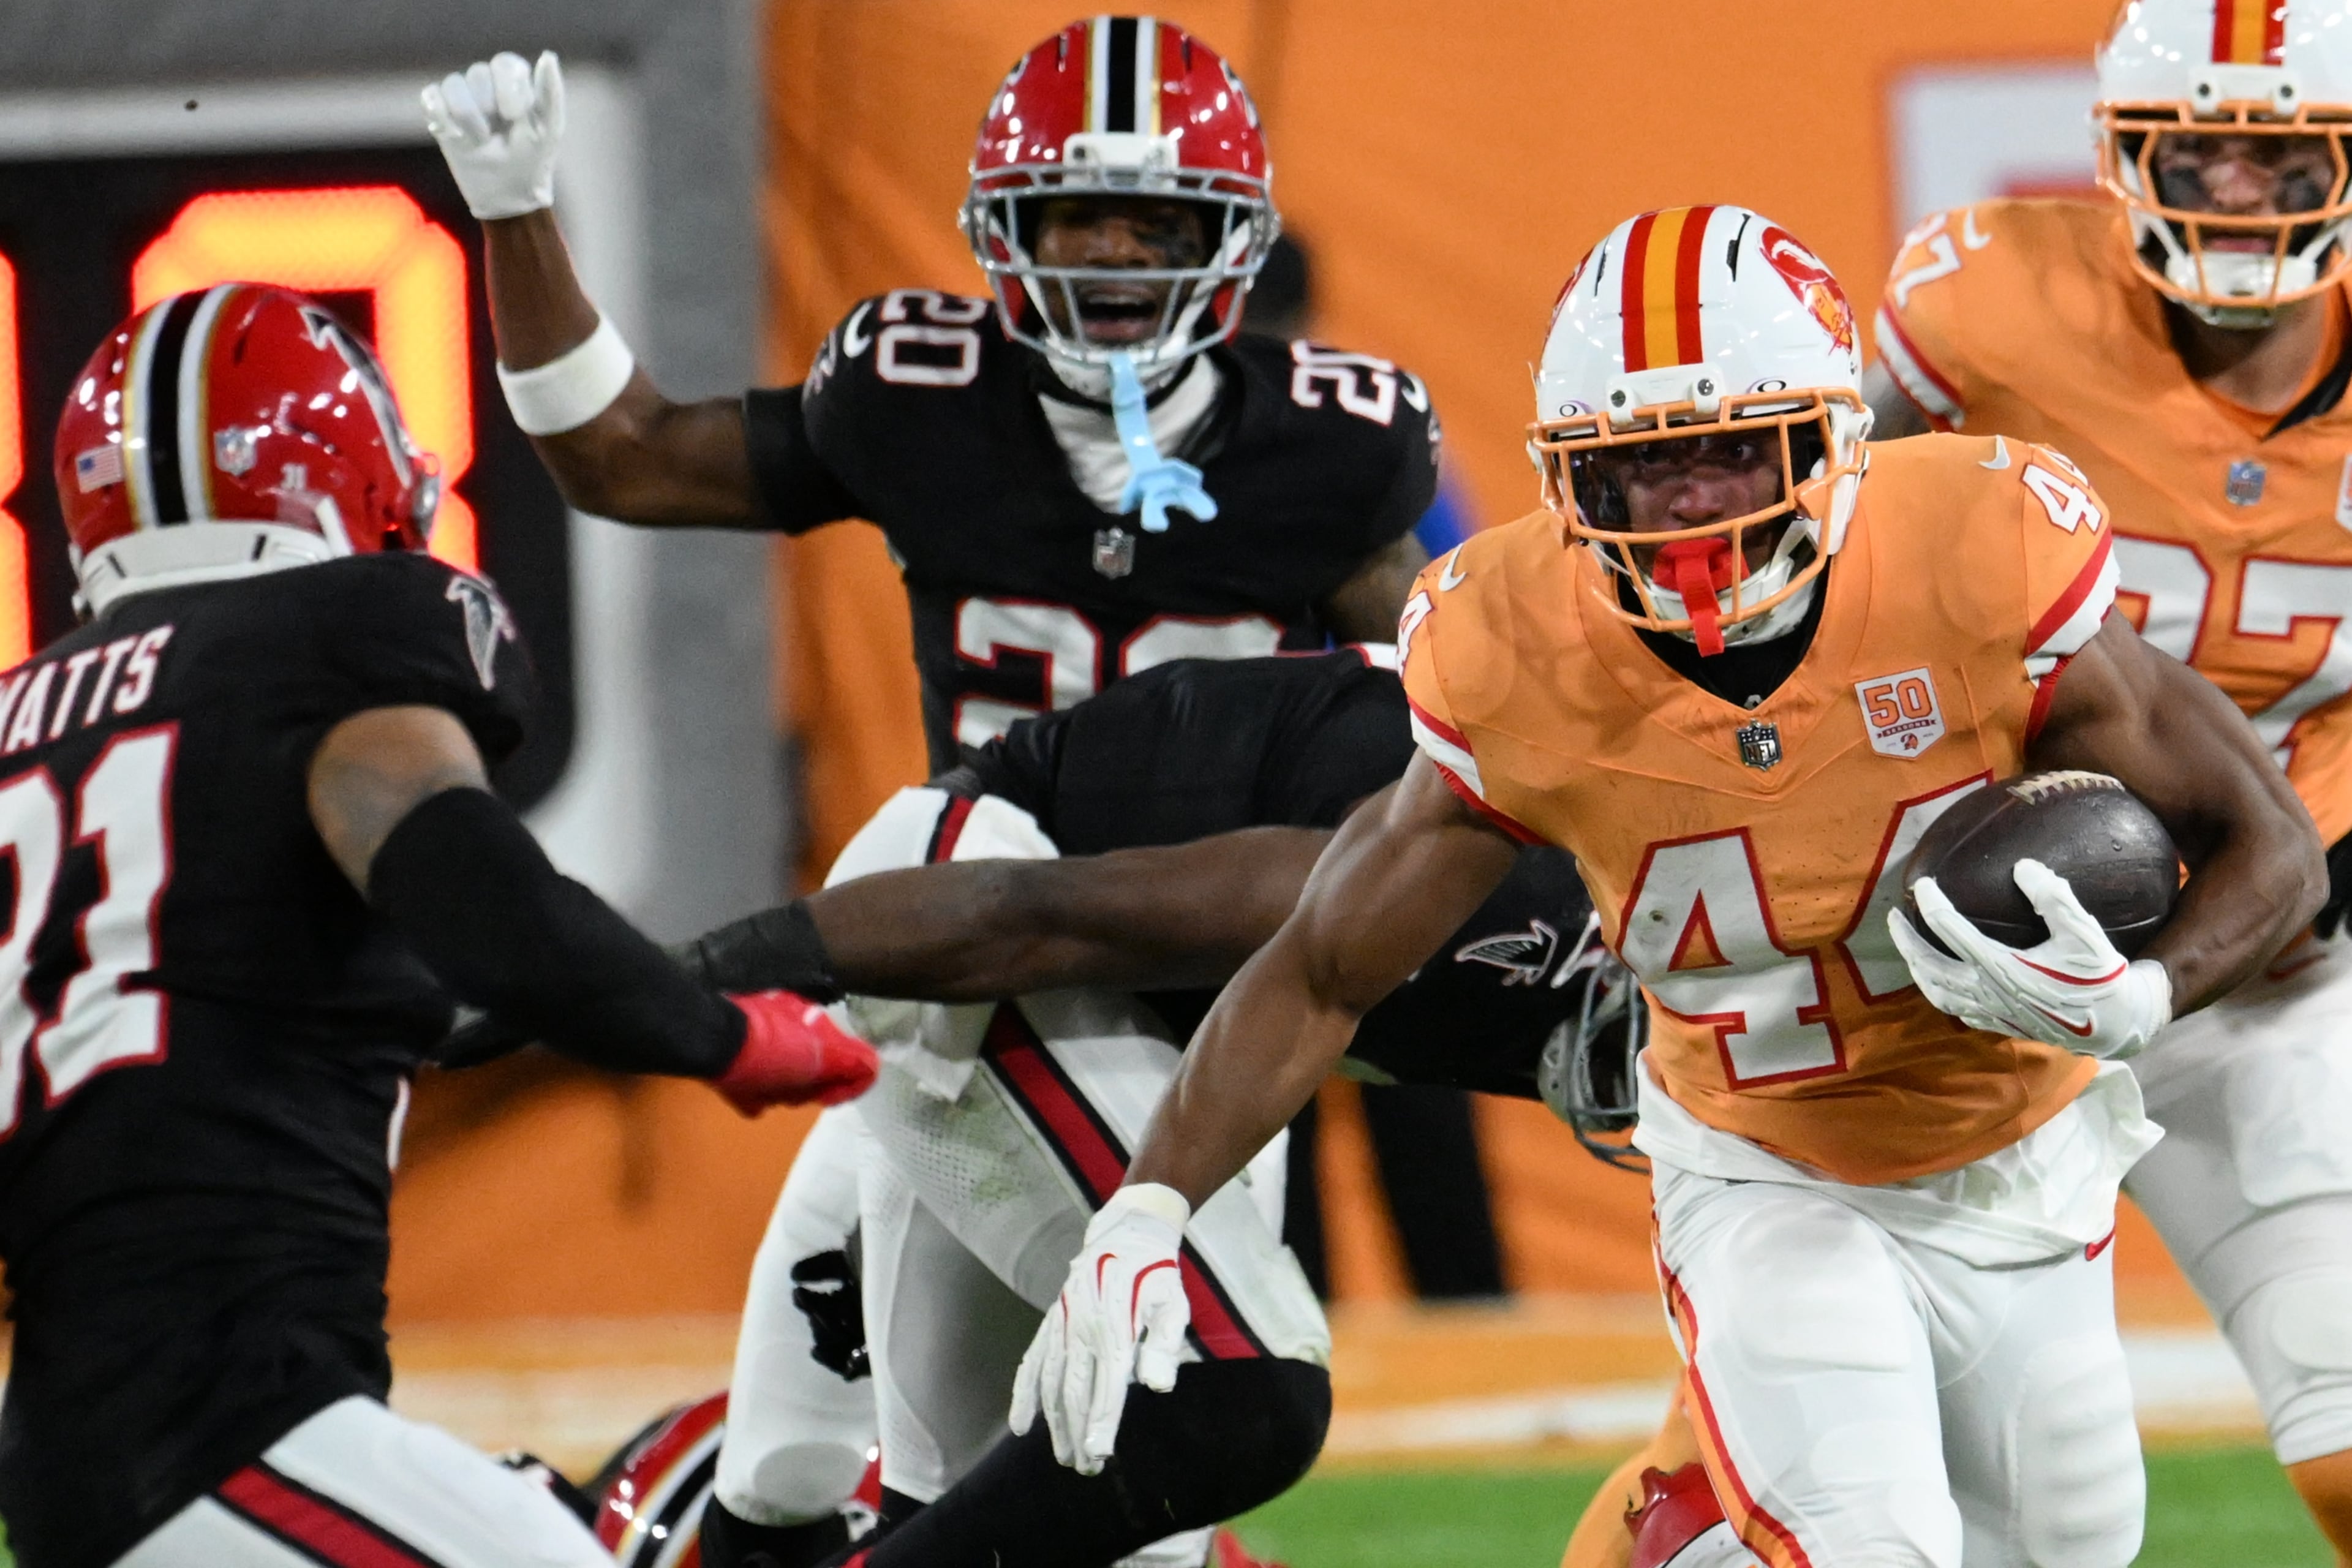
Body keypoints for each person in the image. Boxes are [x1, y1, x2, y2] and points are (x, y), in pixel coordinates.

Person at [1016, 205, 2328, 1568]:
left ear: (1828, 441)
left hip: (2021, 1161)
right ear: (1575, 478)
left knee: (2067, 1551)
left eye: (1727, 448)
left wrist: (2146, 995)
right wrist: (1146, 1210)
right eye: (1642, 463)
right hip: (1764, 1167)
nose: (1692, 501)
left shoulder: (1976, 552)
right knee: (1872, 1544)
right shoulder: (1515, 644)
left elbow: (2272, 845)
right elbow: (1324, 967)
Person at [0, 285, 876, 1568]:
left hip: (87, 1435)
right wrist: (727, 1035)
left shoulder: (24, 725)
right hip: (228, 1425)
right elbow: (471, 886)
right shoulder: (330, 638)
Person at [638, 650, 1631, 1568]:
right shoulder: (1468, 856)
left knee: (1006, 1500)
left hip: (1136, 1012)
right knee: (1228, 1389)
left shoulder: (1622, 877)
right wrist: (667, 986)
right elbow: (1043, 916)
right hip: (972, 927)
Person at [1857, 2, 2352, 1560]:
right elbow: (1835, 575)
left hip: (2267, 948)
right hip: (1965, 946)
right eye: (2195, 149)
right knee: (1837, 1467)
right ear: (2122, 155)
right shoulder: (1990, 302)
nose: (2236, 189)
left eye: (2280, 156)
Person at [423, 23, 1438, 775]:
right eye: (1078, 215)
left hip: (1232, 946)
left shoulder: (1332, 449)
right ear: (1007, 233)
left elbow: (1456, 735)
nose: (1116, 252)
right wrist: (516, 213)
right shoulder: (918, 397)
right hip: (982, 924)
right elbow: (626, 460)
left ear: (1233, 243)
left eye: (1159, 223)